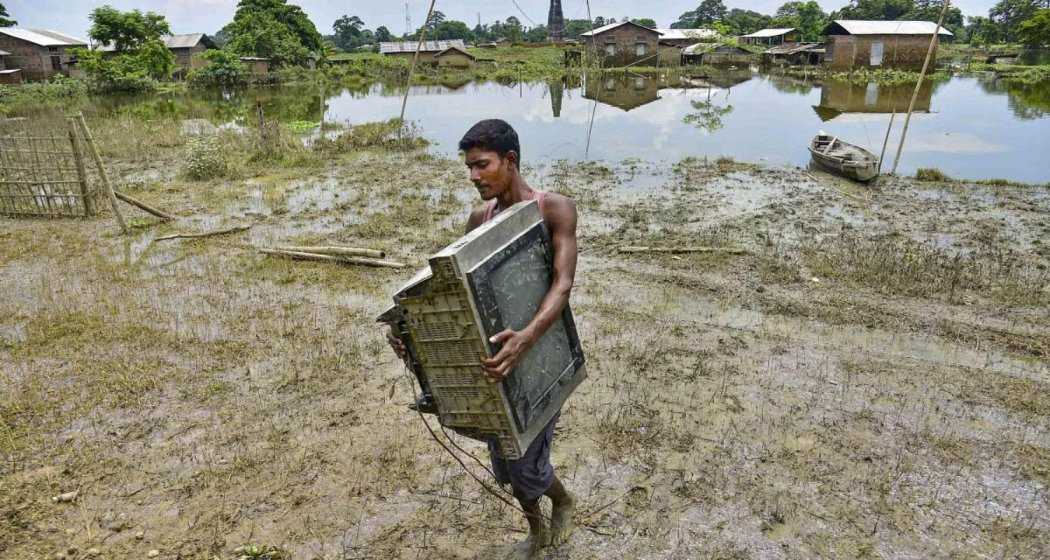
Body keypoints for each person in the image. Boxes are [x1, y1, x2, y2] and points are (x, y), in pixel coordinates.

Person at [388, 119, 578, 559]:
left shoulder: (554, 209)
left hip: (540, 354)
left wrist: (527, 337)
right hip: (497, 361)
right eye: (469, 168)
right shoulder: (480, 218)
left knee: (527, 463)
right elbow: (460, 291)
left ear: (510, 161)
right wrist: (412, 341)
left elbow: (562, 285)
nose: (474, 176)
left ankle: (562, 502)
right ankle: (536, 529)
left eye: (482, 165)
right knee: (507, 464)